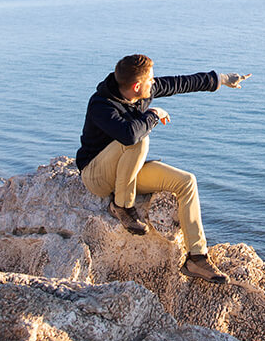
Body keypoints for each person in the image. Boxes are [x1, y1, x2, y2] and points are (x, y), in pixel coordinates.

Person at [75, 54, 249, 284]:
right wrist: (153, 114)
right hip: (96, 175)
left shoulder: (143, 91)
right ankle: (121, 206)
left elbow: (182, 83)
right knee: (139, 139)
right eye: (150, 79)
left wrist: (223, 79)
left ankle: (196, 258)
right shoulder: (101, 104)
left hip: (127, 171)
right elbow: (129, 135)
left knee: (186, 181)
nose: (154, 82)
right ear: (137, 86)